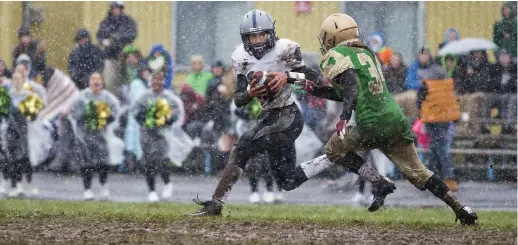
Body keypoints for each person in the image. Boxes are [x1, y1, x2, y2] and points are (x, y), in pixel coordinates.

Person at [296, 13, 477, 225]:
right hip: (395, 119)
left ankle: (379, 182)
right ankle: (461, 207)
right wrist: (316, 90)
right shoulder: (369, 55)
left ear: (332, 38)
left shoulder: (335, 56)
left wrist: (344, 117)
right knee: (420, 172)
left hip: (371, 124)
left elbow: (351, 85)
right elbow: (350, 92)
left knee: (333, 149)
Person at [189, 9, 323, 216]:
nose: (258, 40)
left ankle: (215, 204)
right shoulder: (240, 56)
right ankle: (333, 157)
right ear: (245, 38)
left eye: (262, 34)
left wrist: (287, 77)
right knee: (288, 181)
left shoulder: (285, 49)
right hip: (268, 115)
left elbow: (314, 78)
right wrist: (251, 92)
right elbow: (239, 100)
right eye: (253, 35)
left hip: (288, 115)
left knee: (242, 146)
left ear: (271, 33)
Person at [70, 72, 120, 201]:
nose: (96, 81)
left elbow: (115, 111)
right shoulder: (81, 97)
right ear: (89, 82)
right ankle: (87, 189)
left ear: (102, 82)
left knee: (103, 162)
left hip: (102, 136)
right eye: (93, 78)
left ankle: (104, 187)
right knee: (86, 162)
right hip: (85, 135)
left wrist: (104, 119)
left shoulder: (108, 97)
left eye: (98, 79)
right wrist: (87, 114)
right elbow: (74, 112)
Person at [131, 72, 179, 202]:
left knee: (161, 159)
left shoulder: (169, 97)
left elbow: (176, 111)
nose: (157, 83)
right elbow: (134, 110)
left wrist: (168, 119)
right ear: (150, 82)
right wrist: (143, 117)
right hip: (146, 134)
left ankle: (167, 183)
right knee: (148, 162)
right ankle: (152, 191)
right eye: (154, 80)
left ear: (163, 81)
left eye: (159, 80)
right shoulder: (143, 96)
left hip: (162, 135)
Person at [6, 71, 44, 197]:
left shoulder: (29, 96)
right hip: (10, 132)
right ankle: (13, 186)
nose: (16, 81)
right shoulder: (7, 95)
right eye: (14, 78)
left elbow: (34, 115)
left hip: (24, 132)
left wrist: (32, 114)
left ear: (23, 80)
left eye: (19, 78)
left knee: (21, 159)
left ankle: (21, 183)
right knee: (11, 159)